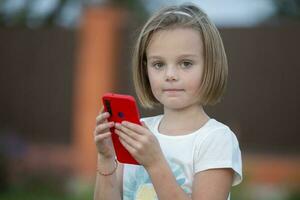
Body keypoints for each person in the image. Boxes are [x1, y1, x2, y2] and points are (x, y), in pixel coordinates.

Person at [93, 3, 242, 200]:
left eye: (186, 63)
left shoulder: (216, 139)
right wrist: (106, 158)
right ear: (145, 68)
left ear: (211, 66)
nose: (170, 75)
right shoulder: (139, 132)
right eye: (158, 64)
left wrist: (155, 163)